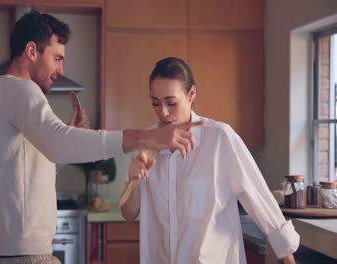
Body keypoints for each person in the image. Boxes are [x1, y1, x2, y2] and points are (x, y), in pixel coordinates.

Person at [0, 11, 203, 264]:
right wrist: (148, 138)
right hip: (23, 255)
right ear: (32, 51)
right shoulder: (22, 90)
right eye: (57, 58)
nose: (60, 69)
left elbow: (23, 170)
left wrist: (69, 138)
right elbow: (58, 143)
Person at [119, 57, 299, 264]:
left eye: (171, 103)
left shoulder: (220, 138)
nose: (163, 113)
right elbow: (128, 214)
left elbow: (258, 197)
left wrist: (288, 258)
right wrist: (134, 180)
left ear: (191, 94)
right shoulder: (147, 143)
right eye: (155, 103)